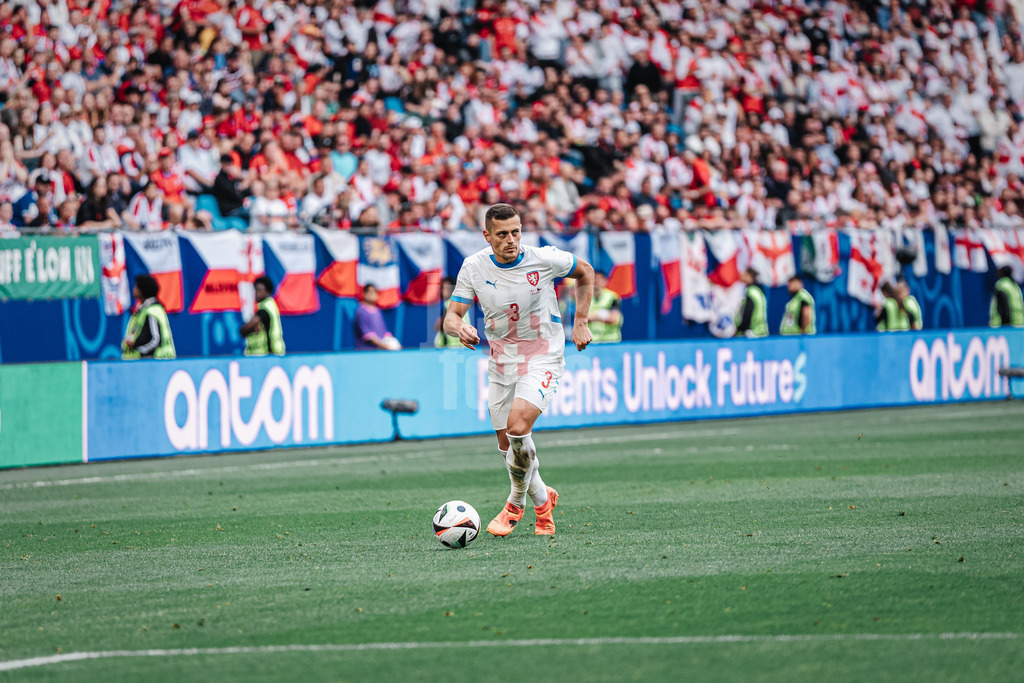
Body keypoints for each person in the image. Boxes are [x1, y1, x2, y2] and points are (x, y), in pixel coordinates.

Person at [444, 203, 595, 537]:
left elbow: (585, 271)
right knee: (508, 445)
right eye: (502, 234)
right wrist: (461, 328)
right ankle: (544, 501)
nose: (511, 240)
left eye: (516, 232)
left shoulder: (543, 259)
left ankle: (515, 503)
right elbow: (451, 317)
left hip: (543, 355)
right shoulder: (473, 267)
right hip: (501, 362)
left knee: (517, 426)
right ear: (487, 236)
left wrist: (581, 322)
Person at [122, 274, 176, 359]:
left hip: (155, 363)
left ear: (142, 291)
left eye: (136, 287)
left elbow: (155, 340)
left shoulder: (152, 312)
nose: (134, 289)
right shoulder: (144, 310)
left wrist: (138, 350)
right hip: (151, 363)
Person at [240, 276, 286, 356]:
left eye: (259, 290)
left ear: (267, 292)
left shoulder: (265, 308)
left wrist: (246, 329)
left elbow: (245, 329)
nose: (257, 293)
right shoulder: (270, 305)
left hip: (271, 353)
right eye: (255, 290)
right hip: (276, 352)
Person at [355, 284, 401, 350]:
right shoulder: (361, 311)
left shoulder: (378, 311)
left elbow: (383, 331)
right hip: (365, 351)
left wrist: (394, 344)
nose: (372, 295)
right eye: (370, 292)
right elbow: (366, 334)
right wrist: (382, 345)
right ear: (364, 294)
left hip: (378, 351)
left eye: (374, 292)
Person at [587, 270, 623, 342]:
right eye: (594, 278)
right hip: (591, 342)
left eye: (599, 278)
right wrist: (603, 315)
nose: (596, 281)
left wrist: (592, 316)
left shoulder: (613, 297)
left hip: (610, 341)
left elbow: (613, 318)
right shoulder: (585, 298)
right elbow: (580, 318)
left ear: (605, 281)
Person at [434, 277, 467, 348]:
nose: (444, 291)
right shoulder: (459, 303)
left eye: (447, 288)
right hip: (461, 346)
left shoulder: (450, 304)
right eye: (443, 288)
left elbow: (438, 325)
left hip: (453, 347)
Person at [735, 268, 768, 338]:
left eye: (744, 275)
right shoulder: (758, 290)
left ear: (749, 276)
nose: (741, 276)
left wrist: (742, 328)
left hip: (752, 332)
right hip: (760, 331)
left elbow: (748, 311)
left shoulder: (751, 291)